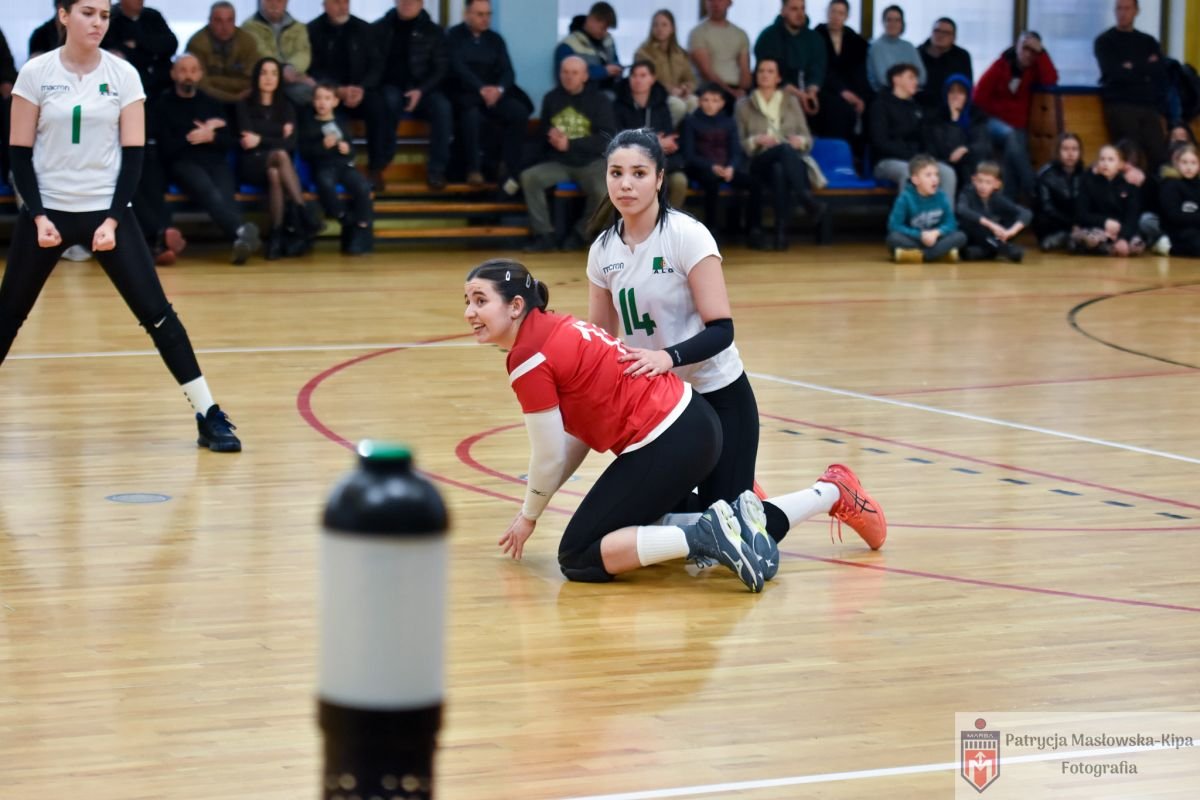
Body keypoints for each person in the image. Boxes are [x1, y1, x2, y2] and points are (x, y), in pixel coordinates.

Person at [585, 128, 887, 570]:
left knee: (733, 536)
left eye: (638, 173)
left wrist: (666, 357)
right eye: (616, 173)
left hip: (717, 396)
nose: (625, 184)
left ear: (660, 178)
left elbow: (721, 330)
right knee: (649, 520)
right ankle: (741, 496)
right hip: (661, 408)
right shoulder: (603, 250)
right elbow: (603, 341)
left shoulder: (687, 236)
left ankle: (832, 492)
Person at [3, 0, 241, 453]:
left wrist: (112, 219)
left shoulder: (123, 75)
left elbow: (134, 156)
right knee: (8, 315)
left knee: (159, 315)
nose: (98, 22)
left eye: (104, 15)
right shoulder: (35, 73)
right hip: (48, 213)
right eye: (88, 13)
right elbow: (18, 153)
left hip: (106, 213)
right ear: (63, 15)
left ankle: (209, 415)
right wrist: (38, 215)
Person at [465, 258, 768, 592]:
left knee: (577, 555)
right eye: (468, 302)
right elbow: (572, 441)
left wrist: (529, 515)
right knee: (628, 521)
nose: (469, 312)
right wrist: (533, 508)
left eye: (480, 301)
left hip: (669, 438)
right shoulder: (556, 325)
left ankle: (702, 535)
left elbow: (548, 456)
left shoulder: (528, 355)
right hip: (696, 421)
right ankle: (734, 519)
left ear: (515, 306)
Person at [155, 53, 261, 264]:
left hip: (215, 161)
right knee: (208, 191)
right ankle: (241, 232)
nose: (188, 75)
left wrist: (212, 136)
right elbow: (164, 147)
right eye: (183, 70)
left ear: (200, 74)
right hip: (183, 163)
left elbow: (230, 141)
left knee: (226, 197)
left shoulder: (211, 103)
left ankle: (240, 240)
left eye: (193, 70)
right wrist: (192, 136)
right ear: (173, 74)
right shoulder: (162, 104)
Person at [518, 55, 615, 253]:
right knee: (529, 178)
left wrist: (570, 144)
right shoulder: (551, 98)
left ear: (585, 76)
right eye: (565, 72)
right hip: (559, 162)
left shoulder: (600, 100)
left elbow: (606, 138)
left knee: (605, 193)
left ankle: (581, 234)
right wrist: (550, 135)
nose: (569, 77)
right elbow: (542, 133)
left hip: (591, 162)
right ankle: (544, 235)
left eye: (574, 73)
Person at [735, 57, 826, 251]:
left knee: (780, 168)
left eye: (770, 71)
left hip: (787, 162)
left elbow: (807, 137)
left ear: (778, 77)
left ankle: (780, 236)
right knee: (783, 152)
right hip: (759, 161)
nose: (765, 75)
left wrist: (800, 141)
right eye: (761, 71)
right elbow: (738, 142)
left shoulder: (791, 101)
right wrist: (756, 140)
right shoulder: (744, 105)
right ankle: (805, 199)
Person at [236, 56, 320, 259]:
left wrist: (261, 138)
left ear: (279, 79)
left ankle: (276, 236)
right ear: (256, 77)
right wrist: (277, 134)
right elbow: (248, 141)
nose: (268, 78)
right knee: (280, 155)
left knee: (275, 173)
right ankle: (304, 214)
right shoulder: (243, 104)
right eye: (264, 73)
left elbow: (291, 143)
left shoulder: (287, 106)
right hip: (251, 163)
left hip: (276, 165)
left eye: (274, 73)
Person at [307, 0, 392, 191]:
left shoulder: (364, 29)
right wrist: (336, 90)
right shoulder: (313, 30)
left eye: (346, 2)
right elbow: (312, 68)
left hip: (360, 91)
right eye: (337, 2)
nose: (343, 7)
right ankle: (332, 169)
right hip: (329, 93)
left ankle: (376, 168)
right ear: (325, 5)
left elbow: (377, 65)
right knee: (321, 109)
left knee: (378, 106)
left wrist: (361, 88)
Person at [445, 0, 532, 187]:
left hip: (494, 94)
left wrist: (499, 89)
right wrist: (481, 88)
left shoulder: (495, 39)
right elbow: (457, 68)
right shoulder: (453, 36)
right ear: (467, 14)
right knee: (470, 115)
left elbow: (508, 71)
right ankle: (473, 169)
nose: (485, 19)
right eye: (480, 14)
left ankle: (508, 167)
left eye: (488, 14)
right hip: (466, 93)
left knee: (519, 112)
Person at [374, 0, 452, 190]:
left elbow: (441, 68)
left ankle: (437, 170)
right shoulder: (379, 28)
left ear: (422, 3)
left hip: (425, 89)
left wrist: (421, 90)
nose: (408, 3)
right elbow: (373, 65)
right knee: (387, 102)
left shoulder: (434, 31)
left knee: (443, 107)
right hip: (390, 87)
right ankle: (380, 166)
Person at [973, 31, 1057, 200]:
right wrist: (1000, 110)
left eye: (1033, 51)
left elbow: (1051, 80)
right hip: (993, 122)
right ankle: (1033, 187)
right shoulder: (1001, 65)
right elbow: (978, 97)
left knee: (1012, 150)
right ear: (1017, 47)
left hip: (1019, 126)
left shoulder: (1035, 69)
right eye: (1025, 48)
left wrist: (1042, 54)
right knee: (1012, 136)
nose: (1028, 54)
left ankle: (1008, 202)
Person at [299, 82, 374, 254]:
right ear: (313, 101)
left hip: (344, 166)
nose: (322, 102)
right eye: (318, 98)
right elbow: (305, 152)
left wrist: (347, 149)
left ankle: (362, 228)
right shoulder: (309, 124)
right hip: (324, 166)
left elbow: (351, 149)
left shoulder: (341, 122)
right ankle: (343, 216)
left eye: (327, 98)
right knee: (325, 183)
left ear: (335, 102)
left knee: (363, 186)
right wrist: (322, 146)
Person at [1095, 0, 1168, 168]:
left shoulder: (1148, 41)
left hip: (1148, 105)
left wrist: (1131, 66)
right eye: (1119, 8)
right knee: (1130, 155)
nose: (1122, 13)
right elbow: (1114, 73)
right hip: (1120, 104)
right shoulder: (1105, 41)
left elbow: (1159, 70)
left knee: (1159, 155)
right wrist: (1144, 67)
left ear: (1136, 11)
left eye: (1127, 8)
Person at [869, 62, 956, 200]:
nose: (916, 82)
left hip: (917, 160)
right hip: (887, 161)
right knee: (909, 173)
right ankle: (908, 213)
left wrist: (929, 157)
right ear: (896, 79)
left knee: (947, 173)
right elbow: (880, 141)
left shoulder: (916, 108)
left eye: (916, 78)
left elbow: (925, 138)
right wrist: (912, 157)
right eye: (911, 77)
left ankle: (946, 213)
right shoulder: (880, 105)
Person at [681, 82, 752, 236]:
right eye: (706, 100)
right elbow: (689, 155)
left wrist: (731, 167)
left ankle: (753, 229)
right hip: (701, 168)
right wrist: (711, 166)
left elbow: (736, 151)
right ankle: (711, 230)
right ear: (699, 101)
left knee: (754, 184)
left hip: (726, 168)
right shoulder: (690, 121)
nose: (710, 104)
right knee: (711, 182)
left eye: (715, 100)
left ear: (722, 103)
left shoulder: (729, 122)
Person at [612, 62, 686, 208]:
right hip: (630, 164)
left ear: (652, 79)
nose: (638, 80)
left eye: (643, 76)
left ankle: (667, 220)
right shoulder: (618, 105)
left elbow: (669, 139)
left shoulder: (661, 104)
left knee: (679, 181)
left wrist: (663, 145)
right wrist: (654, 143)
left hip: (658, 162)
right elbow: (618, 140)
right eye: (634, 76)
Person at [886, 154, 966, 262]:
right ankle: (938, 253)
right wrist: (920, 235)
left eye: (936, 175)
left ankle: (921, 255)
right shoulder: (905, 198)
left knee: (961, 236)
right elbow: (894, 226)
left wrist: (936, 233)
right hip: (916, 239)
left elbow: (951, 223)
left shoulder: (941, 196)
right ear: (915, 180)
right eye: (928, 175)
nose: (934, 179)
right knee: (893, 238)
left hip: (936, 238)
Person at [812, 0, 870, 147]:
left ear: (846, 16)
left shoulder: (855, 41)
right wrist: (842, 91)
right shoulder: (817, 36)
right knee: (836, 108)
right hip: (825, 88)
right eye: (833, 12)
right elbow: (820, 69)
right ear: (827, 13)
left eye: (841, 13)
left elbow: (860, 72)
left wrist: (860, 97)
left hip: (851, 90)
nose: (836, 16)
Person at [753, 0, 825, 117]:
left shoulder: (815, 38)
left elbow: (818, 68)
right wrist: (799, 95)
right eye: (794, 9)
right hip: (778, 89)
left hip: (809, 90)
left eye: (802, 8)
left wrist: (811, 93)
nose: (800, 14)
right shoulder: (768, 37)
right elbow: (768, 72)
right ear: (783, 11)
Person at [1072, 143, 1144, 257]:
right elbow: (1081, 214)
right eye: (1102, 159)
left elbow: (1132, 217)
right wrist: (1104, 222)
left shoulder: (1129, 186)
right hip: (1096, 228)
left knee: (1137, 245)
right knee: (1090, 239)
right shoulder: (1088, 182)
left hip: (1119, 229)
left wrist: (1123, 238)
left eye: (1111, 160)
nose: (1105, 163)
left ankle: (1112, 247)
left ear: (1120, 164)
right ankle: (1108, 248)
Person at [921, 74, 989, 192]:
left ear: (967, 96)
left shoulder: (976, 116)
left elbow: (983, 145)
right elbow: (947, 152)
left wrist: (966, 149)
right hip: (945, 163)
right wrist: (954, 119)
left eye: (960, 92)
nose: (955, 96)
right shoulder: (936, 118)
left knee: (980, 168)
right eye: (952, 92)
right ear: (946, 95)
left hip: (970, 164)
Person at [241, 0, 315, 106]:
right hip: (263, 80)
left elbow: (303, 53)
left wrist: (291, 68)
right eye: (269, 1)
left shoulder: (298, 27)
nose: (274, 5)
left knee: (313, 94)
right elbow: (261, 52)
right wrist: (282, 69)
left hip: (293, 78)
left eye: (279, 1)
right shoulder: (249, 27)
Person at [100, 0, 177, 100]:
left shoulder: (153, 16)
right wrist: (152, 50)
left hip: (161, 83)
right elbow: (115, 52)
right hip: (128, 85)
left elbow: (171, 43)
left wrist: (139, 42)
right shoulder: (111, 19)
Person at [955, 161, 1031, 262]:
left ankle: (986, 251)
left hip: (990, 237)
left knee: (1011, 219)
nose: (983, 186)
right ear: (974, 180)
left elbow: (1025, 213)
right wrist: (991, 225)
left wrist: (1010, 232)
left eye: (988, 182)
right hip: (972, 235)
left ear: (997, 184)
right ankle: (1003, 249)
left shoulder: (996, 198)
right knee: (975, 225)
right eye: (980, 181)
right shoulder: (967, 193)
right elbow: (962, 209)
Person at [185, 2, 259, 104]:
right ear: (209, 21)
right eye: (218, 21)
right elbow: (200, 84)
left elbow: (252, 81)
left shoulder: (247, 42)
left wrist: (213, 80)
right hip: (206, 101)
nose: (225, 27)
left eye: (230, 20)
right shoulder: (197, 44)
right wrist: (234, 98)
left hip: (244, 101)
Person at [633, 9, 697, 127]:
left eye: (664, 25)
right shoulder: (644, 53)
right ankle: (665, 133)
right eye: (655, 25)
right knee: (678, 105)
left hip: (678, 94)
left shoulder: (680, 53)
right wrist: (670, 90)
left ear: (672, 28)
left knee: (694, 102)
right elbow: (645, 80)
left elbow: (690, 78)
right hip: (655, 96)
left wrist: (685, 88)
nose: (659, 29)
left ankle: (685, 135)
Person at [687, 0, 752, 103]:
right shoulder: (697, 33)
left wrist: (743, 91)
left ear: (729, 3)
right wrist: (731, 92)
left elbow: (745, 70)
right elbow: (706, 72)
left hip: (737, 90)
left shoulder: (740, 34)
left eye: (720, 0)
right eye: (711, 0)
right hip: (710, 91)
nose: (715, 4)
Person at [555, 2, 622, 95]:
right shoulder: (568, 45)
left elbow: (615, 60)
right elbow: (565, 76)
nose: (605, 32)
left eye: (607, 29)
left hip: (610, 94)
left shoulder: (608, 40)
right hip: (580, 98)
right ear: (592, 20)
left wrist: (617, 68)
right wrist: (604, 71)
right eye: (603, 28)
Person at [1034, 132, 1084, 251]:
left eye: (1074, 149)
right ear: (1057, 151)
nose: (1070, 154)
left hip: (1076, 223)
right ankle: (1064, 238)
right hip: (1052, 225)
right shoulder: (1045, 175)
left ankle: (1072, 238)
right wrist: (1071, 224)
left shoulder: (1084, 174)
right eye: (1065, 149)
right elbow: (1047, 209)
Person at [915, 17, 971, 110]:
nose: (940, 35)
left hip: (951, 108)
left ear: (954, 37)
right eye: (937, 31)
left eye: (946, 33)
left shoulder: (962, 56)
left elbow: (966, 87)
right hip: (920, 107)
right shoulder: (917, 53)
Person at [867, 5, 923, 92]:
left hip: (910, 95)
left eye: (897, 20)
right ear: (883, 22)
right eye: (889, 20)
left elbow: (922, 77)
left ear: (902, 23)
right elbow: (883, 80)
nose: (893, 24)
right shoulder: (875, 46)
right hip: (885, 95)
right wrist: (909, 83)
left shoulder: (909, 47)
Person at [1158, 143, 1200, 256]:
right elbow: (1174, 216)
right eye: (1184, 162)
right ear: (1176, 163)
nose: (1189, 167)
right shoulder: (1170, 184)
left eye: (1193, 163)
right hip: (1177, 230)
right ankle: (1169, 248)